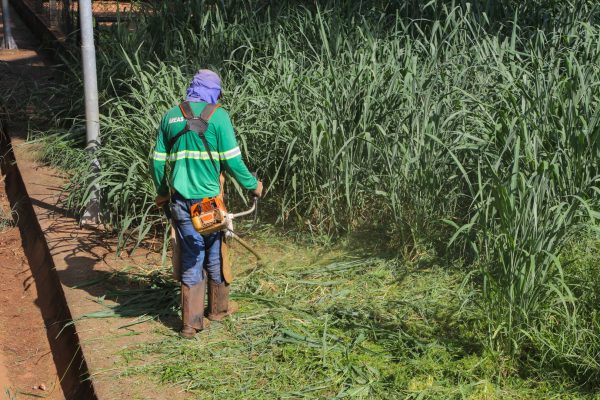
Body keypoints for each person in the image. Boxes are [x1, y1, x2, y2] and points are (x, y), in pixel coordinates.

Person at [150, 69, 263, 339]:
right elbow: (234, 163)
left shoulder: (170, 116)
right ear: (214, 92)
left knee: (193, 255)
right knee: (214, 250)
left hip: (180, 202)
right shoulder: (219, 117)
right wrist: (254, 185)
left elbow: (156, 162)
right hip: (209, 205)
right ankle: (212, 313)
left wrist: (162, 192)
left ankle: (195, 320)